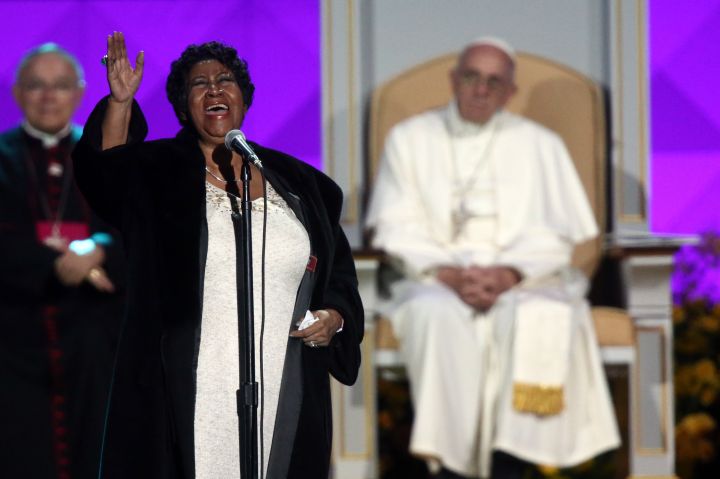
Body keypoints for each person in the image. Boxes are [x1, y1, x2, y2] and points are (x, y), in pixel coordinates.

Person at [72, 32, 364, 478]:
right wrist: (120, 103)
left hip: (283, 375)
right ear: (184, 105)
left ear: (242, 98)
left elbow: (339, 276)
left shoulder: (307, 186)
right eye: (198, 83)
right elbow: (106, 177)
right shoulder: (160, 172)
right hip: (186, 379)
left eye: (225, 79)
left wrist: (335, 318)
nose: (213, 88)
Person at [365, 37, 620, 479]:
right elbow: (394, 224)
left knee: (536, 314)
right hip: (434, 279)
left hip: (523, 280)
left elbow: (557, 235)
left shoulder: (540, 144)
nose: (481, 90)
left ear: (510, 92)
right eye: (471, 77)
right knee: (434, 315)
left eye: (493, 82)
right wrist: (447, 274)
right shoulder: (410, 139)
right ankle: (452, 469)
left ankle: (511, 463)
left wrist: (508, 273)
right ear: (454, 80)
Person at [0, 43, 126, 478]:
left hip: (93, 344)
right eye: (37, 86)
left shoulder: (103, 159)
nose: (49, 96)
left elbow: (134, 227)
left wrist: (101, 247)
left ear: (79, 93)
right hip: (15, 346)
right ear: (17, 94)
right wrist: (54, 263)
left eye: (60, 86)